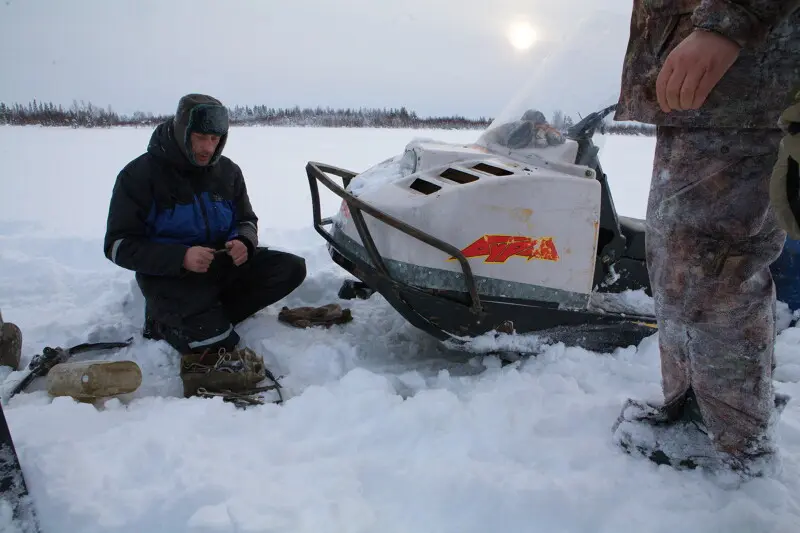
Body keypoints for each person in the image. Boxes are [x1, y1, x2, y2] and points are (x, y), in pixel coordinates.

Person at [610, 1, 800, 477]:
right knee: (685, 265)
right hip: (711, 95)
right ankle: (702, 409)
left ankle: (733, 444)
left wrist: (727, 20)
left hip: (741, 84)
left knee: (712, 269)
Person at [103, 94, 308, 392]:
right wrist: (180, 257)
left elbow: (246, 220)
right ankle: (166, 322)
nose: (207, 148)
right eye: (200, 138)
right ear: (181, 130)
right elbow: (118, 245)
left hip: (220, 269)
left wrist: (244, 241)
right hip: (171, 277)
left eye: (215, 139)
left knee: (291, 268)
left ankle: (208, 316)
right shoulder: (139, 176)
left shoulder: (228, 172)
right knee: (218, 346)